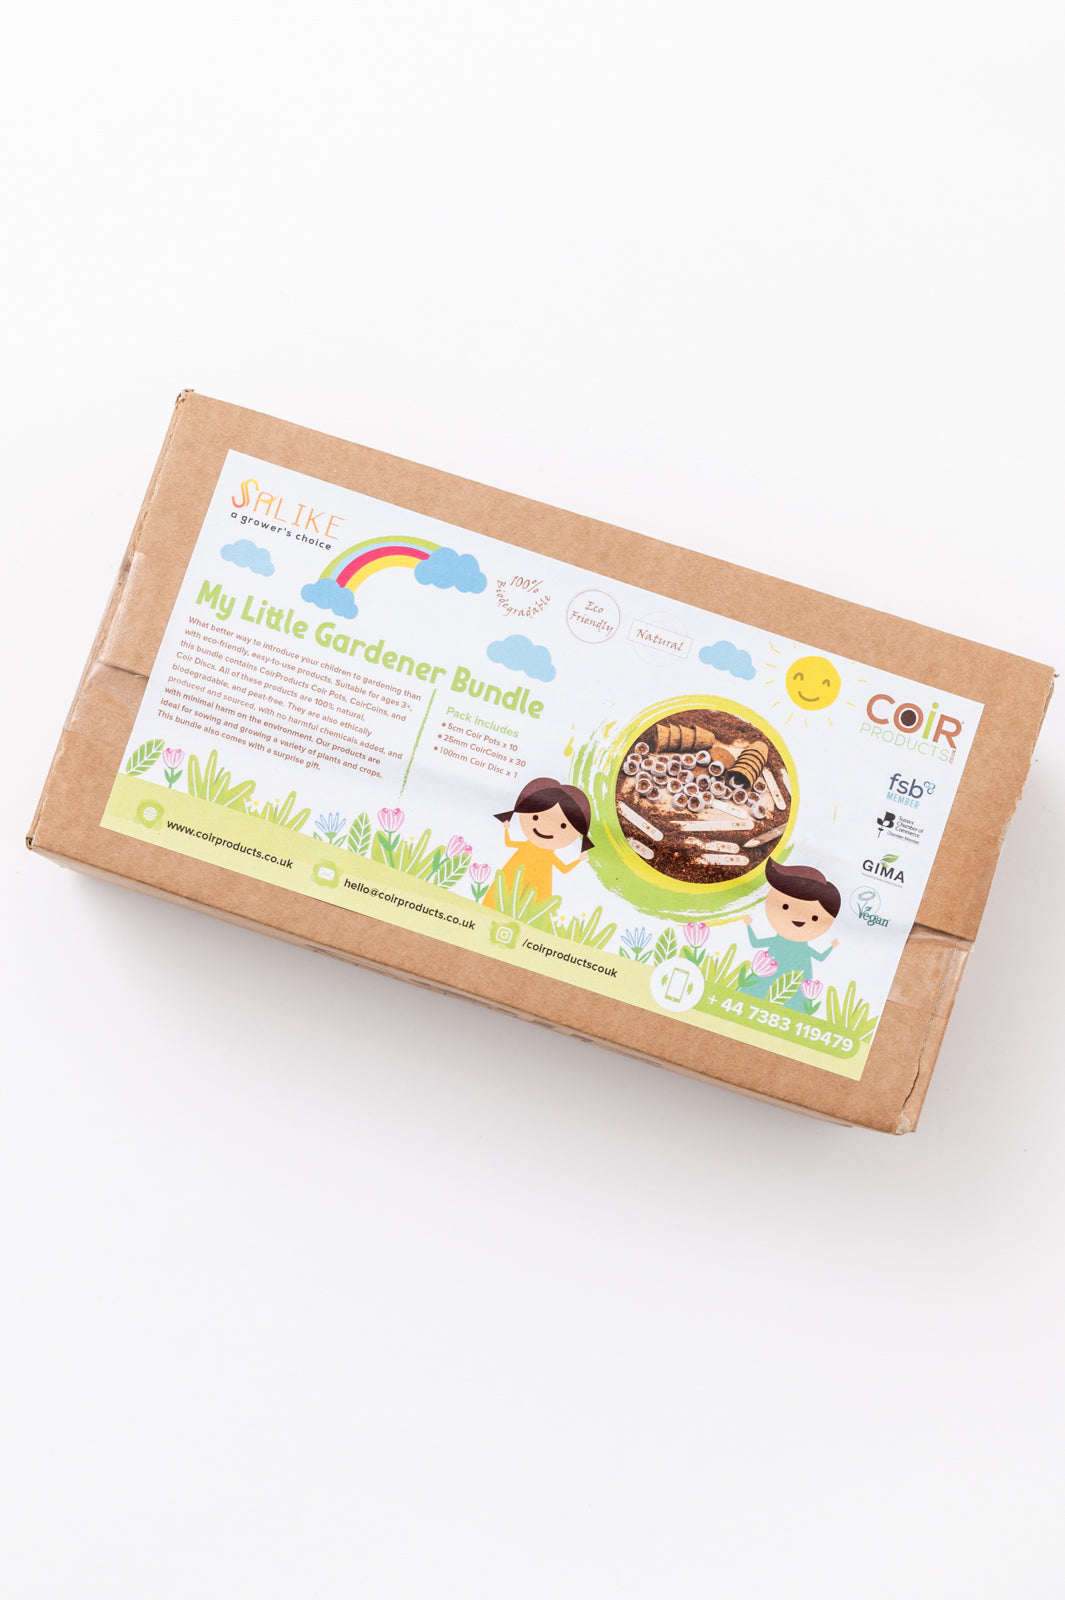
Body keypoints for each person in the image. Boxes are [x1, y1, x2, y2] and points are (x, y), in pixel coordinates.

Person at [485, 778, 593, 910]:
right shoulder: (528, 847)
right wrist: (506, 828)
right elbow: (508, 843)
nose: (547, 828)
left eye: (563, 826)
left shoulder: (547, 854)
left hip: (538, 882)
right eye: (535, 817)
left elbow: (564, 869)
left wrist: (579, 860)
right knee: (502, 895)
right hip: (514, 873)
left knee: (533, 904)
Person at [742, 856, 840, 999]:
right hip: (768, 978)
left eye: (814, 917)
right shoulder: (783, 943)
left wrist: (831, 947)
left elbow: (819, 957)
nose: (799, 918)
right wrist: (748, 926)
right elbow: (755, 943)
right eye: (785, 906)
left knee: (793, 998)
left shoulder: (793, 946)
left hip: (797, 983)